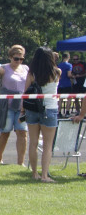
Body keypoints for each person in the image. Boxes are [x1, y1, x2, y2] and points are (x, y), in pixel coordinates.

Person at [0, 45, 28, 166]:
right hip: (7, 106)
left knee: (22, 132)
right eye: (16, 58)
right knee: (5, 131)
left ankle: (21, 162)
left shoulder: (26, 69)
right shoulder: (3, 69)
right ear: (10, 57)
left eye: (21, 59)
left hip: (22, 106)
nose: (18, 61)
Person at [24, 47, 61, 182]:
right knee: (47, 145)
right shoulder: (57, 72)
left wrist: (22, 111)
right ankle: (45, 175)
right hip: (50, 108)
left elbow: (25, 92)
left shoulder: (32, 73)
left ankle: (34, 173)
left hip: (33, 109)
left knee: (33, 143)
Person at [57, 52, 73, 116]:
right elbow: (69, 75)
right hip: (67, 84)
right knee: (69, 98)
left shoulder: (59, 65)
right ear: (68, 57)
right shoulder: (69, 65)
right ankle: (67, 112)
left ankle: (59, 112)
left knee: (60, 99)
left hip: (60, 84)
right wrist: (73, 76)